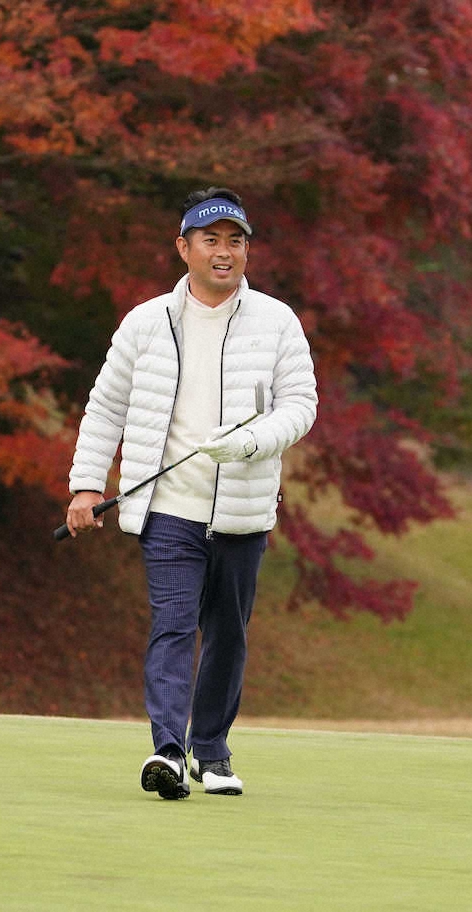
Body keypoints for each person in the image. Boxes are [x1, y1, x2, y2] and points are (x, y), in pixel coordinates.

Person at [65, 187, 317, 799]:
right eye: (211, 240)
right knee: (173, 625)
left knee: (228, 634)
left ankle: (212, 750)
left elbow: (300, 406)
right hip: (167, 508)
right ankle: (168, 752)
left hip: (243, 510)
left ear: (247, 250)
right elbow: (106, 408)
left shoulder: (277, 321)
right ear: (184, 247)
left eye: (236, 241)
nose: (224, 252)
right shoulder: (145, 322)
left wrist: (252, 442)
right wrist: (86, 486)